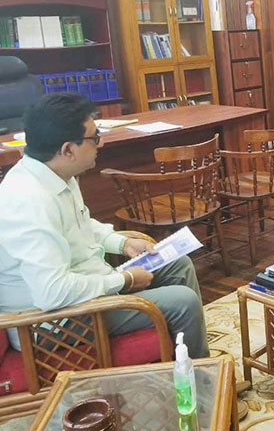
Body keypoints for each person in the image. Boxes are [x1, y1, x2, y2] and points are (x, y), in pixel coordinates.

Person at [0, 93, 209, 358]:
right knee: (183, 302)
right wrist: (122, 280)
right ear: (68, 149)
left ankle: (190, 364)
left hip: (85, 289)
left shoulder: (59, 174)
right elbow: (52, 293)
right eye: (94, 138)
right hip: (50, 322)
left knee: (176, 264)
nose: (100, 144)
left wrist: (123, 243)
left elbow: (81, 225)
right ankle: (202, 386)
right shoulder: (27, 201)